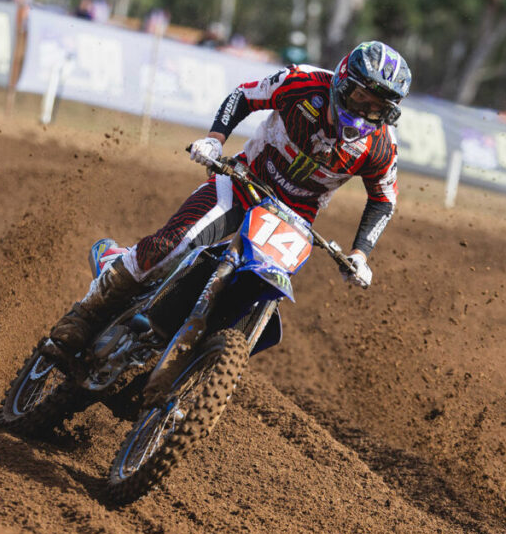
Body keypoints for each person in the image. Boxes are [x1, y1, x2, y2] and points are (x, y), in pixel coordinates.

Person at [43, 41, 411, 363]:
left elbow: (383, 199)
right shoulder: (302, 82)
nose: (365, 110)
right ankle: (85, 314)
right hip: (243, 182)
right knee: (176, 243)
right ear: (343, 82)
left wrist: (360, 254)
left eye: (377, 107)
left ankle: (192, 361)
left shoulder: (382, 145)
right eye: (360, 97)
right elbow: (243, 96)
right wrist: (215, 140)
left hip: (293, 220)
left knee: (259, 292)